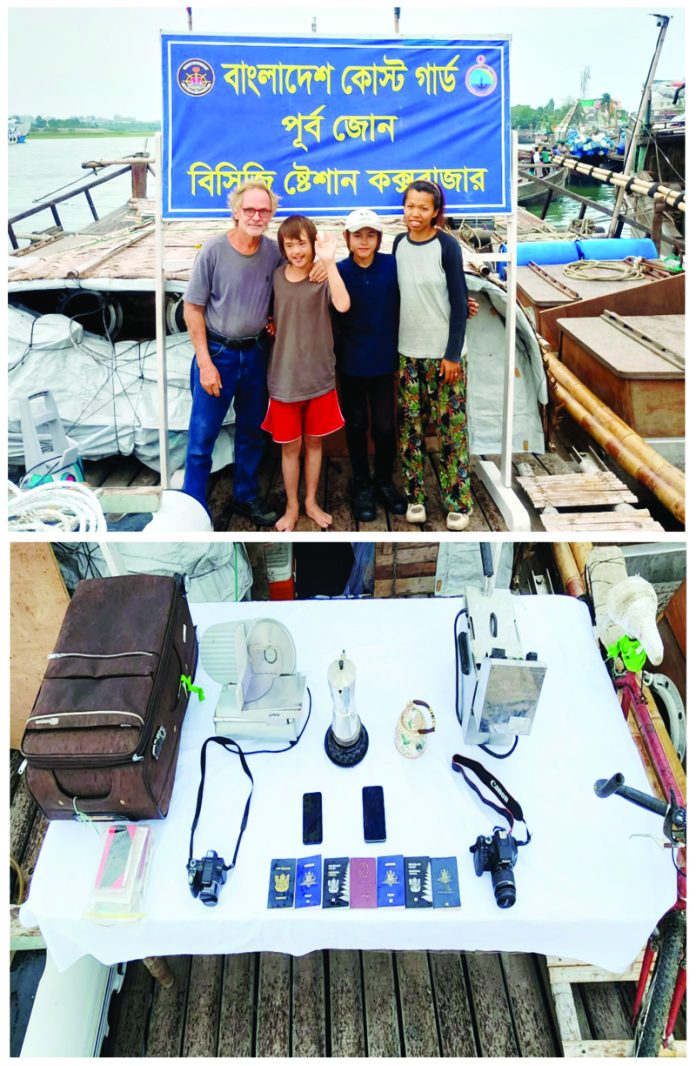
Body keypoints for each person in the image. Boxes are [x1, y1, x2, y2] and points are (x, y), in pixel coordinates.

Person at [182, 181, 289, 526]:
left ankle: (245, 496)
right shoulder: (212, 251)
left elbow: (293, 279)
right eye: (249, 210)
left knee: (252, 431)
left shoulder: (274, 252)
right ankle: (192, 509)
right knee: (202, 437)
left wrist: (272, 318)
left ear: (271, 215)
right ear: (236, 212)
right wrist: (205, 363)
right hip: (218, 353)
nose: (256, 216)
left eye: (263, 211)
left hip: (256, 353)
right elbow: (192, 308)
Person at [261, 216, 350, 532]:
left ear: (313, 243)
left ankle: (311, 501)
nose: (297, 251)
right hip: (284, 378)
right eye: (290, 245)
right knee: (290, 446)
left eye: (302, 243)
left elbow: (343, 305)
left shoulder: (322, 275)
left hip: (319, 378)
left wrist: (329, 262)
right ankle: (292, 506)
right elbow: (268, 314)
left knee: (314, 443)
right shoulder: (276, 277)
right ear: (282, 248)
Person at [393, 179, 472, 531]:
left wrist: (452, 354)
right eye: (410, 206)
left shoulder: (447, 246)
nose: (415, 213)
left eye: (423, 208)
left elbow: (459, 301)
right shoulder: (398, 244)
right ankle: (416, 498)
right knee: (411, 429)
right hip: (408, 354)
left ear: (436, 212)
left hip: (444, 357)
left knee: (451, 431)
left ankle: (457, 502)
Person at [334, 208, 406, 522]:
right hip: (350, 361)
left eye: (370, 235)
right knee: (356, 424)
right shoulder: (337, 271)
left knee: (385, 426)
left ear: (379, 239)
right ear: (346, 238)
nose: (364, 241)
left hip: (383, 361)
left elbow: (423, 288)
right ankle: (362, 483)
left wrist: (463, 303)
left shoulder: (392, 266)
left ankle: (384, 479)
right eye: (357, 235)